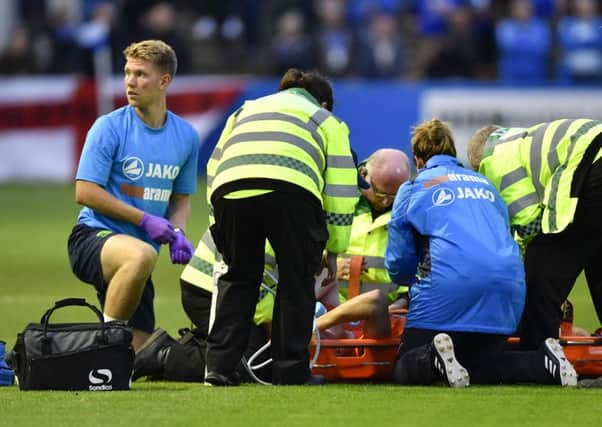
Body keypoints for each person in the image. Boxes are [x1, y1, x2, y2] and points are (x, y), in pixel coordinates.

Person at [385, 118, 577, 387]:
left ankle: (432, 356)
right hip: (506, 290)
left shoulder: (415, 187)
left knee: (405, 366)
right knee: (478, 364)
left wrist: (410, 282)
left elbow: (398, 263)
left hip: (448, 292)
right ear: (454, 153)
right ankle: (542, 363)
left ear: (417, 160)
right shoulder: (488, 186)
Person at [204, 68, 358, 386]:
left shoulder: (245, 110)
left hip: (230, 190)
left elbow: (213, 167)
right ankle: (290, 371)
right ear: (325, 101)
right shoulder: (326, 120)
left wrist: (218, 227)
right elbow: (341, 189)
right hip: (292, 189)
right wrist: (335, 248)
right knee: (296, 281)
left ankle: (219, 368)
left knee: (238, 277)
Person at [67, 40, 199, 351]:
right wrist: (145, 219)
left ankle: (97, 353)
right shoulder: (108, 127)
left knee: (138, 354)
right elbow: (84, 192)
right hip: (94, 237)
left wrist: (177, 231)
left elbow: (180, 200)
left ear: (164, 81)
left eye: (140, 74)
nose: (130, 81)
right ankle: (105, 350)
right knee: (140, 255)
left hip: (140, 255)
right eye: (127, 72)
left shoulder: (186, 136)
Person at [467, 118, 602, 351]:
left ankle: (538, 357)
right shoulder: (521, 140)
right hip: (593, 154)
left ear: (479, 165)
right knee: (597, 260)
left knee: (540, 268)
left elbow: (531, 223)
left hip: (591, 168)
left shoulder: (495, 160)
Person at [338, 148, 411, 309]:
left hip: (385, 319)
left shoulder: (411, 215)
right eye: (379, 193)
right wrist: (327, 271)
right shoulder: (338, 200)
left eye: (393, 196)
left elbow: (417, 276)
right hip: (331, 313)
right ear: (363, 174)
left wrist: (402, 303)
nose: (386, 202)